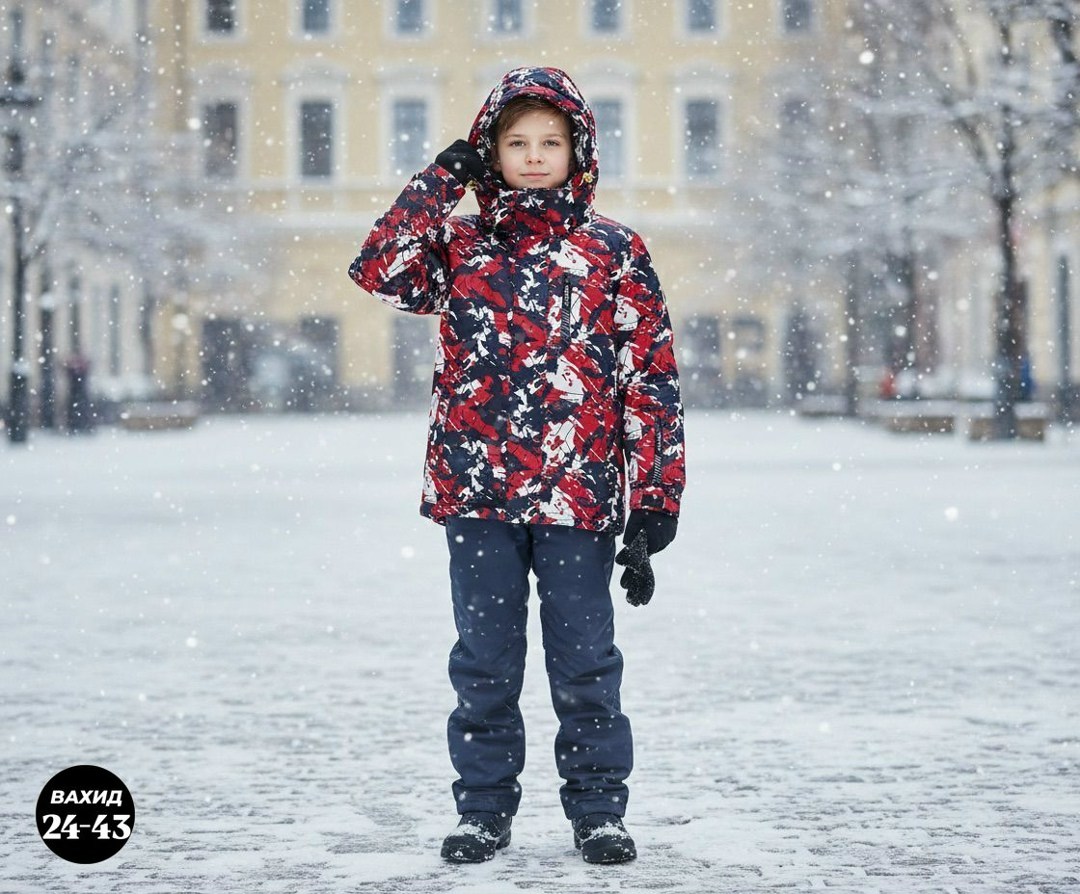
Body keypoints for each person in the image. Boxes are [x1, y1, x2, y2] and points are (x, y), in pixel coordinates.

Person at [348, 67, 685, 865]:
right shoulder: (459, 245)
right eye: (515, 143)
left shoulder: (614, 252)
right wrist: (440, 181)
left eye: (550, 143)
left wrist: (656, 501)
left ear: (579, 152)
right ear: (491, 153)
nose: (534, 157)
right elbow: (375, 268)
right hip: (479, 491)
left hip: (578, 493)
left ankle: (599, 810)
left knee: (587, 664)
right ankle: (484, 811)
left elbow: (651, 380)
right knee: (485, 664)